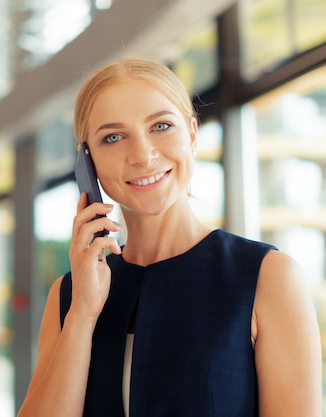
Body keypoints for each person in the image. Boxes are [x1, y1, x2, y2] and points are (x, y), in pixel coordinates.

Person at [17, 57, 322, 417]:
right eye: (113, 137)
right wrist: (83, 314)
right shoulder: (68, 295)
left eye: (161, 126)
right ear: (88, 163)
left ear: (192, 136)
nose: (143, 155)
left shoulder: (267, 276)